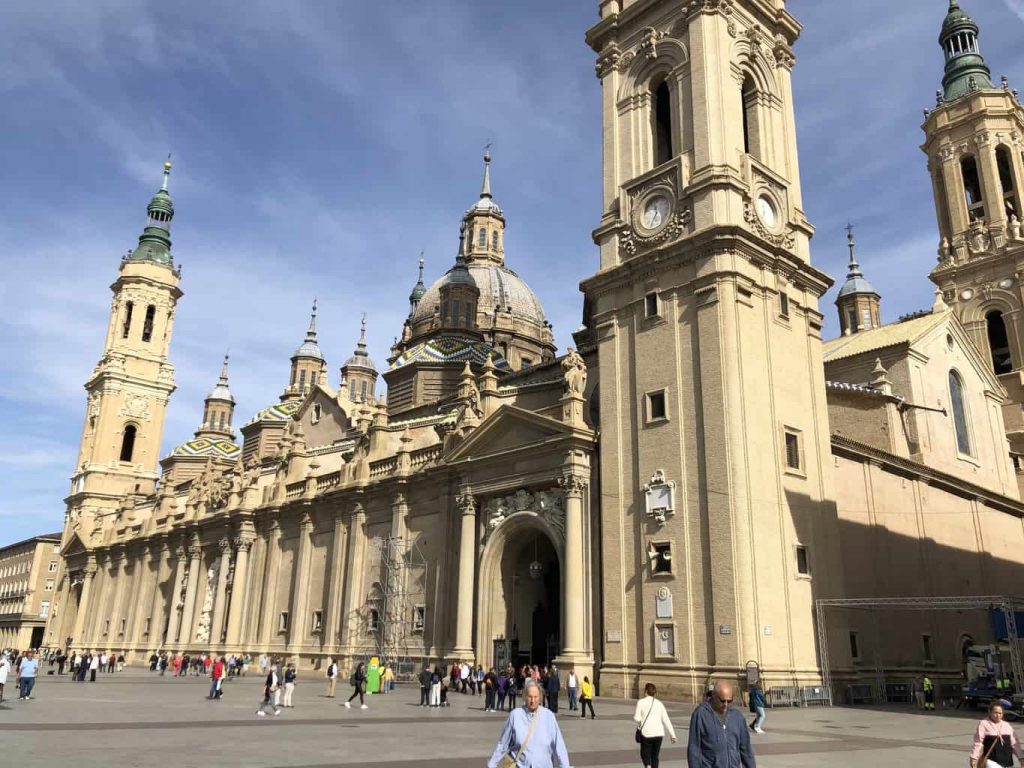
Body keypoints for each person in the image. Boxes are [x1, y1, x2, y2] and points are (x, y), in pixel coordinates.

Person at [487, 678, 571, 768]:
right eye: (530, 697)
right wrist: (492, 764)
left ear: (540, 697)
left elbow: (559, 745)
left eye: (535, 697)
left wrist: (565, 766)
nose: (532, 701)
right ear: (524, 697)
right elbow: (503, 743)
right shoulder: (515, 715)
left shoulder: (548, 716)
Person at [687, 680, 756, 768]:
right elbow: (694, 748)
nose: (726, 704)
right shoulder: (701, 714)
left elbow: (746, 750)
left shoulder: (737, 716)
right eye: (722, 700)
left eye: (729, 701)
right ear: (713, 696)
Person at [970, 700, 1024, 768]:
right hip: (991, 760)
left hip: (1007, 761)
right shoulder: (984, 723)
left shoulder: (1006, 725)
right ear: (990, 712)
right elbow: (978, 742)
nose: (998, 715)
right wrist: (973, 757)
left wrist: (1021, 758)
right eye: (995, 713)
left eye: (1000, 713)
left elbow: (1015, 744)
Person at [635, 682, 677, 768]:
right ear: (654, 693)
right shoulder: (659, 703)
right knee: (655, 756)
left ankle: (648, 766)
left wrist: (640, 724)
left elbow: (637, 718)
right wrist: (673, 735)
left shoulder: (641, 702)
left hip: (647, 733)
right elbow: (666, 720)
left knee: (645, 754)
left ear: (645, 691)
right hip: (659, 733)